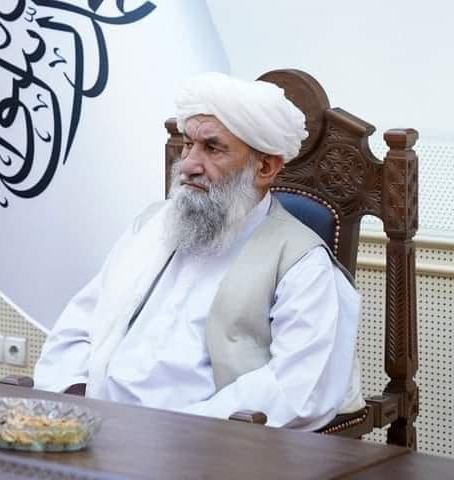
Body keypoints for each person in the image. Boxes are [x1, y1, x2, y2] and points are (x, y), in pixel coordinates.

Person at [34, 72, 365, 430]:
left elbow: (297, 388)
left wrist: (173, 432)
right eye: (187, 144)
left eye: (212, 148)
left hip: (204, 444)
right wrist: (75, 395)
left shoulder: (301, 262)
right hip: (95, 428)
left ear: (265, 167)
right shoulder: (152, 227)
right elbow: (80, 325)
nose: (188, 165)